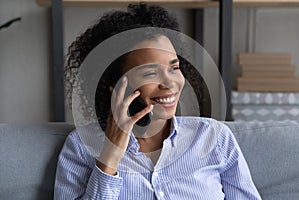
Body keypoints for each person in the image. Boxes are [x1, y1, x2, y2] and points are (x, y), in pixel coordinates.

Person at [54, 3, 261, 200]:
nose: (170, 83)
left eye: (174, 68)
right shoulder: (81, 146)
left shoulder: (214, 138)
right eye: (151, 73)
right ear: (117, 85)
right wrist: (110, 157)